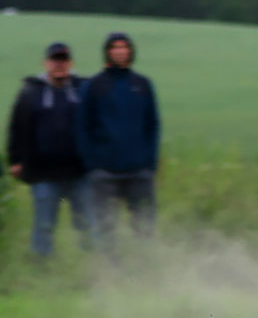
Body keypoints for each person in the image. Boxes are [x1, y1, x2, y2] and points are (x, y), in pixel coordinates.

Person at [5, 41, 92, 257]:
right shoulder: (30, 92)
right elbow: (16, 127)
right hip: (43, 173)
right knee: (44, 225)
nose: (59, 65)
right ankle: (42, 266)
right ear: (46, 63)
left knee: (88, 223)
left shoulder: (83, 90)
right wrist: (15, 160)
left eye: (63, 60)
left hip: (79, 172)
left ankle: (93, 264)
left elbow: (97, 124)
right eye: (55, 60)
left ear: (70, 63)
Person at [75, 32, 159, 241]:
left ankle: (145, 258)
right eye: (115, 47)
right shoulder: (94, 86)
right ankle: (108, 261)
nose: (120, 51)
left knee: (144, 223)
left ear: (130, 52)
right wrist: (92, 163)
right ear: (107, 52)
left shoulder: (142, 84)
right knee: (105, 227)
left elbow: (152, 125)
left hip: (138, 170)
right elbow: (83, 126)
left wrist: (149, 162)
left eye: (124, 47)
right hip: (104, 172)